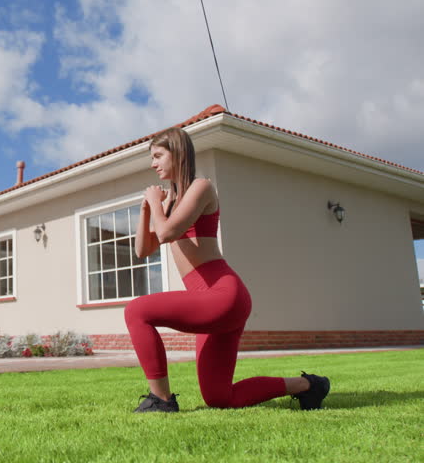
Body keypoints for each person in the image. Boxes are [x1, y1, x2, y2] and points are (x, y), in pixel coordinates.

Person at [124, 127, 330, 412]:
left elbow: (168, 232)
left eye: (158, 155)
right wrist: (148, 209)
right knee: (219, 398)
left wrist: (157, 207)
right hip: (207, 302)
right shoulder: (167, 202)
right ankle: (308, 385)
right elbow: (142, 251)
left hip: (222, 296)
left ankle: (160, 399)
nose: (153, 163)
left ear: (178, 153)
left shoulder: (201, 187)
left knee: (136, 311)